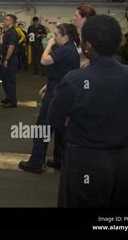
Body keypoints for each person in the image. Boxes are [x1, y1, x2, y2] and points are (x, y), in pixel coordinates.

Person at [48, 15, 128, 207]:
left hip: (86, 162)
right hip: (124, 163)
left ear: (87, 46)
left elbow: (54, 118)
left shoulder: (74, 80)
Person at [19, 23, 80, 174]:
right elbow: (63, 70)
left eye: (56, 35)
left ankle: (36, 162)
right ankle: (60, 160)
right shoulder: (71, 48)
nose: (53, 38)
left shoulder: (65, 50)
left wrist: (49, 45)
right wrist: (49, 84)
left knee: (43, 126)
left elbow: (44, 60)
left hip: (57, 93)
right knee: (60, 127)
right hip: (62, 88)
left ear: (65, 37)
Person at [0, 14, 19, 108]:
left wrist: (6, 59)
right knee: (5, 80)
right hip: (6, 57)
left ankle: (12, 101)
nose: (4, 21)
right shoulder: (8, 32)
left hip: (11, 59)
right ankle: (8, 97)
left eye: (6, 20)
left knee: (10, 80)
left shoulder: (13, 33)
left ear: (11, 22)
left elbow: (11, 47)